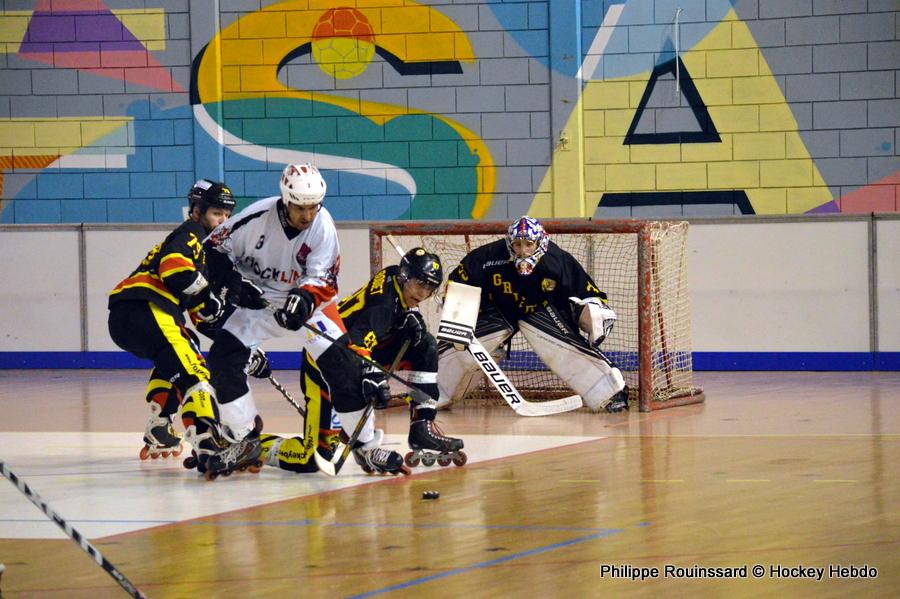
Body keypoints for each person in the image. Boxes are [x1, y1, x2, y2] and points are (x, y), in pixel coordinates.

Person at [203, 162, 408, 475]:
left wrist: (304, 299)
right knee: (222, 358)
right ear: (286, 200)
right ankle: (244, 440)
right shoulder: (256, 218)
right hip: (259, 301)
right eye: (300, 208)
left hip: (307, 305)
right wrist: (233, 284)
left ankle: (367, 447)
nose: (307, 215)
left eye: (313, 207)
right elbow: (213, 250)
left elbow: (324, 278)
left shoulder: (322, 225)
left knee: (343, 366)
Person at [108, 179, 266, 476]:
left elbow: (202, 316)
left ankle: (160, 425)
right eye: (217, 213)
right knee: (196, 371)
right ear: (196, 210)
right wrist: (207, 295)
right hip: (148, 308)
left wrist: (244, 347)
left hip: (128, 317)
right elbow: (174, 267)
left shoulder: (203, 253)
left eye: (227, 214)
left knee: (182, 352)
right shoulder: (192, 234)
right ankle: (209, 442)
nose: (223, 220)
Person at [259, 247, 465, 473]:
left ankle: (421, 426)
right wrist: (372, 375)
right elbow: (359, 338)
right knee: (312, 458)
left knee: (424, 344)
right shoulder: (383, 306)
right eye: (419, 283)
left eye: (429, 287)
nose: (422, 293)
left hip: (355, 351)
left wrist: (407, 315)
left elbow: (376, 324)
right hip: (324, 364)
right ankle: (254, 447)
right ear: (405, 277)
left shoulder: (394, 275)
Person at [437, 215, 629, 413]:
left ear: (540, 241)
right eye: (517, 244)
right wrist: (457, 315)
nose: (523, 251)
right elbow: (459, 282)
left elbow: (587, 292)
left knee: (567, 350)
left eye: (529, 244)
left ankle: (611, 394)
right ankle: (433, 392)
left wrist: (593, 312)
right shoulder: (488, 257)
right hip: (499, 310)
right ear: (509, 242)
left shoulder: (557, 261)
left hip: (539, 310)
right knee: (457, 350)